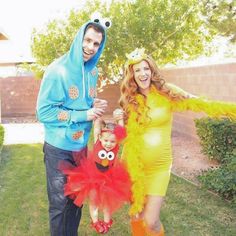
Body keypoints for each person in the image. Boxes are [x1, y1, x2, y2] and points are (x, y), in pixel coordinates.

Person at [118, 48, 236, 236]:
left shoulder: (168, 92)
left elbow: (199, 102)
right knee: (136, 215)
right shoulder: (129, 99)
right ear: (131, 75)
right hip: (133, 166)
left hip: (159, 167)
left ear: (152, 70)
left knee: (152, 221)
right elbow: (126, 133)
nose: (142, 73)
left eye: (145, 69)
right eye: (137, 70)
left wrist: (230, 110)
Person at [36, 13, 111, 236]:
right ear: (78, 38)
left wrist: (93, 103)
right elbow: (44, 112)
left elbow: (80, 102)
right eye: (87, 40)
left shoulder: (93, 71)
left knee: (76, 203)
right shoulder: (57, 70)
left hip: (80, 149)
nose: (90, 47)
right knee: (60, 206)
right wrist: (84, 114)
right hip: (59, 150)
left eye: (96, 43)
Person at [61, 113, 131, 234]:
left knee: (106, 201)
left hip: (109, 178)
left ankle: (107, 222)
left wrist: (120, 119)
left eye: (112, 141)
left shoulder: (116, 146)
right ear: (100, 138)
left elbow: (121, 132)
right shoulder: (98, 141)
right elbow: (97, 125)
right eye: (106, 140)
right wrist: (98, 116)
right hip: (92, 177)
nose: (109, 144)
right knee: (94, 200)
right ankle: (95, 222)